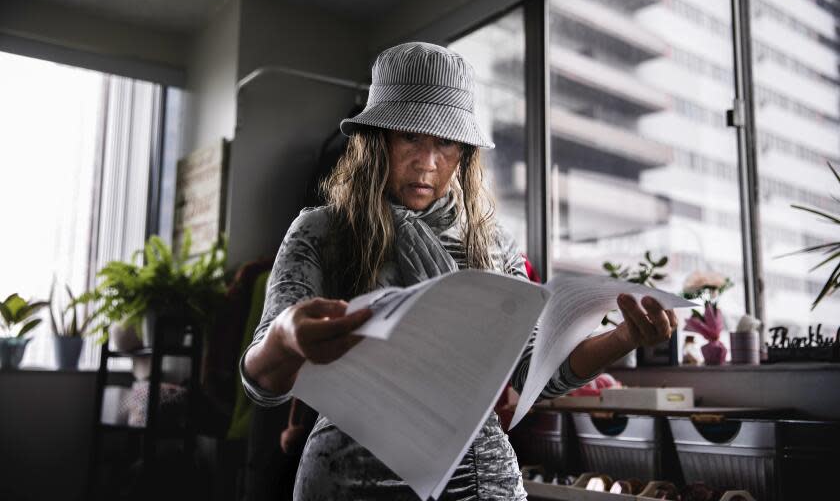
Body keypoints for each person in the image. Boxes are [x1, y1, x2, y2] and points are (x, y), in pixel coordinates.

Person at [240, 41, 677, 500]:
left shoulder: (494, 244)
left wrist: (623, 339)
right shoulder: (323, 232)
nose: (427, 163)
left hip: (485, 482)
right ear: (376, 140)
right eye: (409, 136)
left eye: (445, 142)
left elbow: (531, 377)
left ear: (464, 152)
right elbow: (260, 385)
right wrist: (285, 339)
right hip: (352, 482)